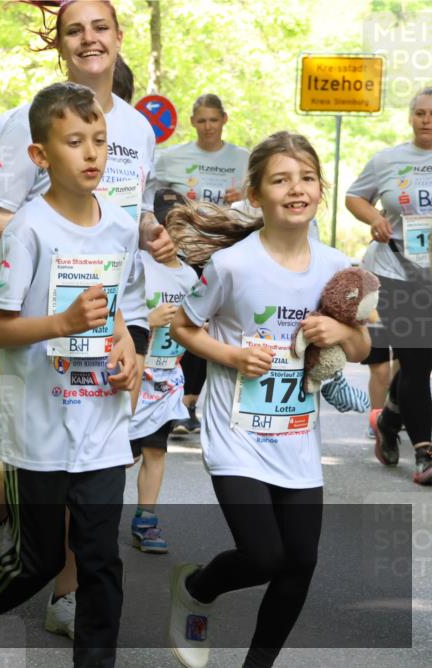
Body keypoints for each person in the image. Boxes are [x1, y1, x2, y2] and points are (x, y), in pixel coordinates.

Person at [0, 0, 174, 639]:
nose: (89, 39)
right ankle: (3, 500)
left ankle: (70, 595)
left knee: (97, 468)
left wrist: (147, 233)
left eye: (101, 27)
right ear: (59, 43)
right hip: (38, 315)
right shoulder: (22, 122)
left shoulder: (137, 130)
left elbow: (126, 214)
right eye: (74, 29)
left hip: (115, 311)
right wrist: (56, 238)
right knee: (47, 453)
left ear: (118, 37)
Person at [0, 81, 139, 668]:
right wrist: (59, 322)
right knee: (41, 560)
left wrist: (128, 347)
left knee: (101, 558)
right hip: (39, 425)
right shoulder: (27, 229)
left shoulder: (122, 226)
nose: (91, 154)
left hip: (102, 421)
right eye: (74, 141)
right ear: (41, 155)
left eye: (100, 141)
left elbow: (118, 308)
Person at [165, 131, 370, 668]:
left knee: (300, 560)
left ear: (320, 190)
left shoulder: (338, 268)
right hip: (236, 433)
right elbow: (184, 328)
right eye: (280, 180)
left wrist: (338, 332)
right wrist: (229, 357)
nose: (295, 189)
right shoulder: (233, 265)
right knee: (263, 556)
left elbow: (366, 344)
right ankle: (199, 588)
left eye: (305, 179)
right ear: (255, 194)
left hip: (298, 435)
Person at [346, 86, 432, 483]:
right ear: (410, 117)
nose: (426, 119)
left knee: (424, 359)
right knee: (415, 357)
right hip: (397, 272)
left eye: (431, 113)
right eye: (420, 113)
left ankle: (390, 417)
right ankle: (425, 452)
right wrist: (374, 219)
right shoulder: (388, 159)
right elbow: (354, 196)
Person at [154, 94, 250, 435]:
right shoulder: (171, 158)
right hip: (185, 255)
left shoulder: (244, 159)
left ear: (224, 119)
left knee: (214, 326)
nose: (208, 126)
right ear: (192, 122)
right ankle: (181, 401)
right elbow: (150, 197)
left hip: (226, 254)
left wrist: (246, 197)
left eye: (214, 119)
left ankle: (190, 400)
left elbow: (261, 199)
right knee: (186, 321)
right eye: (201, 120)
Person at [119, 245, 196, 554]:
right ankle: (85, 512)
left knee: (155, 452)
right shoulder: (137, 266)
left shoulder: (189, 275)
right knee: (123, 457)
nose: (165, 238)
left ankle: (145, 521)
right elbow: (115, 314)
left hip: (167, 381)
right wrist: (148, 320)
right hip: (135, 372)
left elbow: (197, 321)